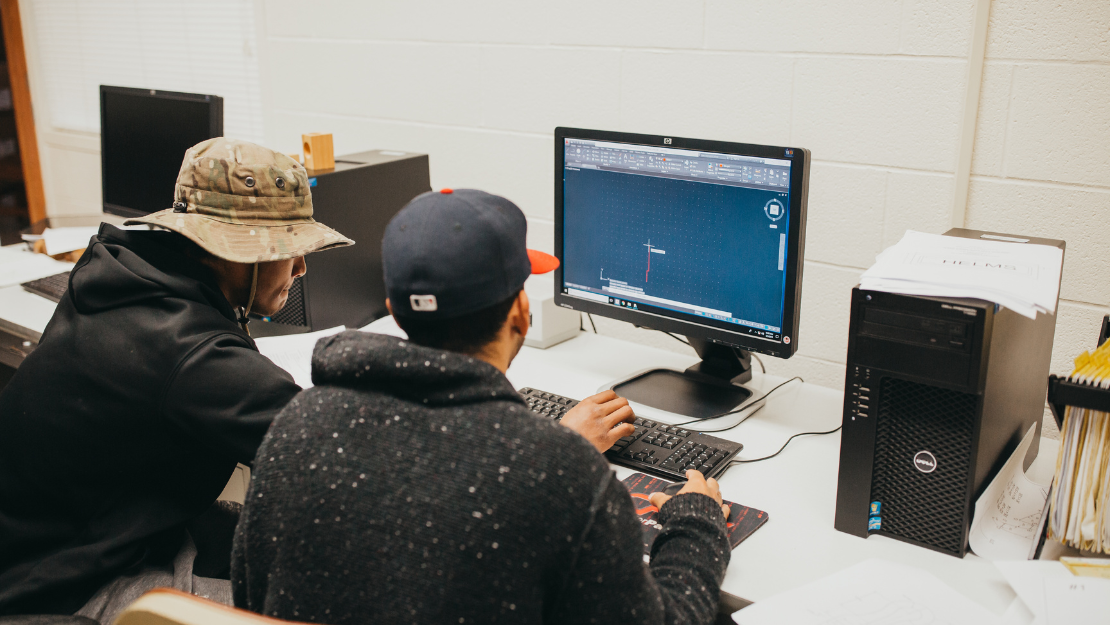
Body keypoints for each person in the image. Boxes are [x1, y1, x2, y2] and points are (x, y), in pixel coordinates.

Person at [232, 189, 731, 624]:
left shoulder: (298, 424)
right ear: (520, 311)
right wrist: (696, 523)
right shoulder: (558, 473)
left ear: (394, 311)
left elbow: (251, 599)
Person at [0, 138, 353, 621]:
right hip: (63, 586)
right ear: (240, 253)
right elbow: (337, 451)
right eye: (290, 248)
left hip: (52, 544)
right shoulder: (190, 353)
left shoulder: (119, 274)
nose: (301, 267)